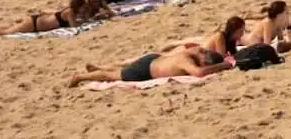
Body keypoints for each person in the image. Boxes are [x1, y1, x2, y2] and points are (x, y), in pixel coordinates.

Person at [68, 45, 231, 87]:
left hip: (153, 60)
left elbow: (203, 54)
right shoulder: (187, 61)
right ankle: (80, 77)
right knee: (111, 77)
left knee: (120, 71)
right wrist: (223, 65)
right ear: (204, 61)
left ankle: (97, 69)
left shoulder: (194, 51)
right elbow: (199, 73)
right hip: (147, 69)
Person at [0, 0, 98, 36]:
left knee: (9, 28)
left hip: (37, 21)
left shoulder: (70, 10)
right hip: (34, 24)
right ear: (77, 6)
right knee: (6, 32)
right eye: (83, 7)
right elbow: (74, 26)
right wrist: (86, 20)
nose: (84, 9)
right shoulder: (70, 12)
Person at [162, 17, 247, 60]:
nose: (242, 34)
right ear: (233, 31)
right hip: (192, 49)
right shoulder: (220, 36)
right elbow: (222, 57)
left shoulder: (232, 40)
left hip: (198, 53)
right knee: (163, 57)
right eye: (240, 31)